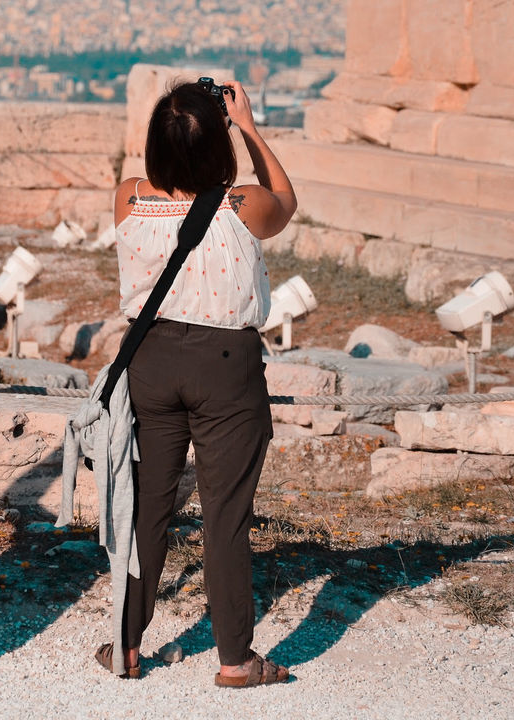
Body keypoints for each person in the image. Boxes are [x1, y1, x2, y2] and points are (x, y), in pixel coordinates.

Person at [100, 79, 297, 687]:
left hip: (151, 361)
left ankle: (126, 645)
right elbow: (284, 201)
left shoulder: (128, 197)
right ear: (217, 145)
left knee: (148, 508)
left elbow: (167, 180)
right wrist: (248, 126)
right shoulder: (241, 206)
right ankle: (236, 660)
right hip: (224, 364)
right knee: (225, 516)